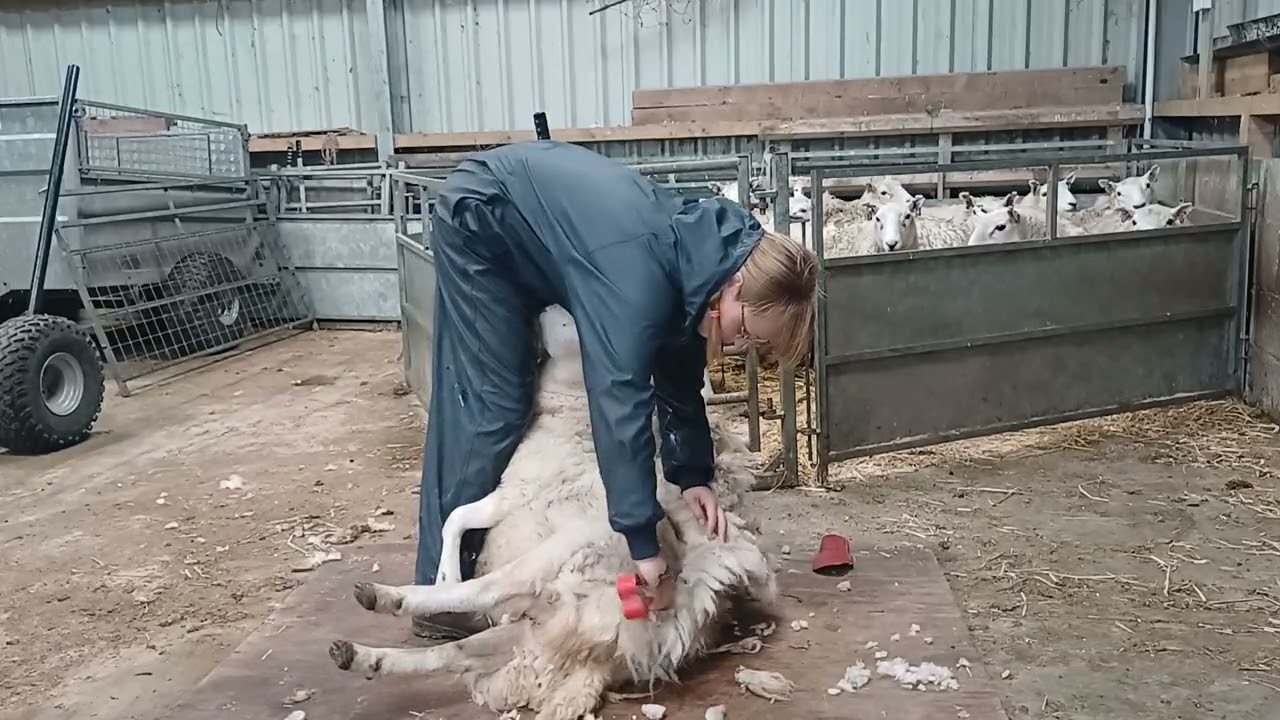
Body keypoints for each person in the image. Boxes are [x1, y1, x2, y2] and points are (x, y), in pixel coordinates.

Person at [412, 139, 818, 639]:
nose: (740, 344)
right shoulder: (640, 281)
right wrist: (644, 549)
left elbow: (678, 377)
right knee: (497, 402)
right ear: (735, 287)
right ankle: (437, 595)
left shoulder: (703, 262)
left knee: (527, 381)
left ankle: (492, 556)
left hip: (534, 221)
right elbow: (619, 403)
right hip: (484, 217)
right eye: (749, 330)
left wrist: (693, 476)